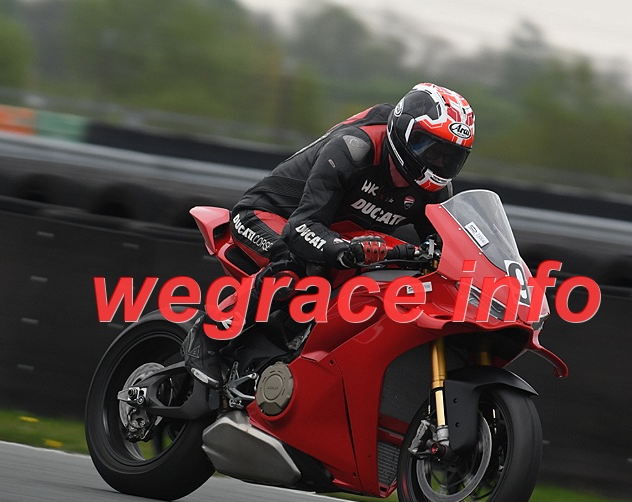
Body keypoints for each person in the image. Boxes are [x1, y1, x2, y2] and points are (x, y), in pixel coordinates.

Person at [183, 82, 475, 388]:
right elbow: (301, 228)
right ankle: (209, 333)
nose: (437, 163)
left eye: (449, 157)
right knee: (292, 267)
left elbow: (447, 246)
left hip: (335, 238)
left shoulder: (435, 190)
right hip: (268, 216)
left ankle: (279, 359)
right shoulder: (354, 149)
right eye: (428, 148)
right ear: (403, 130)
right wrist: (343, 249)